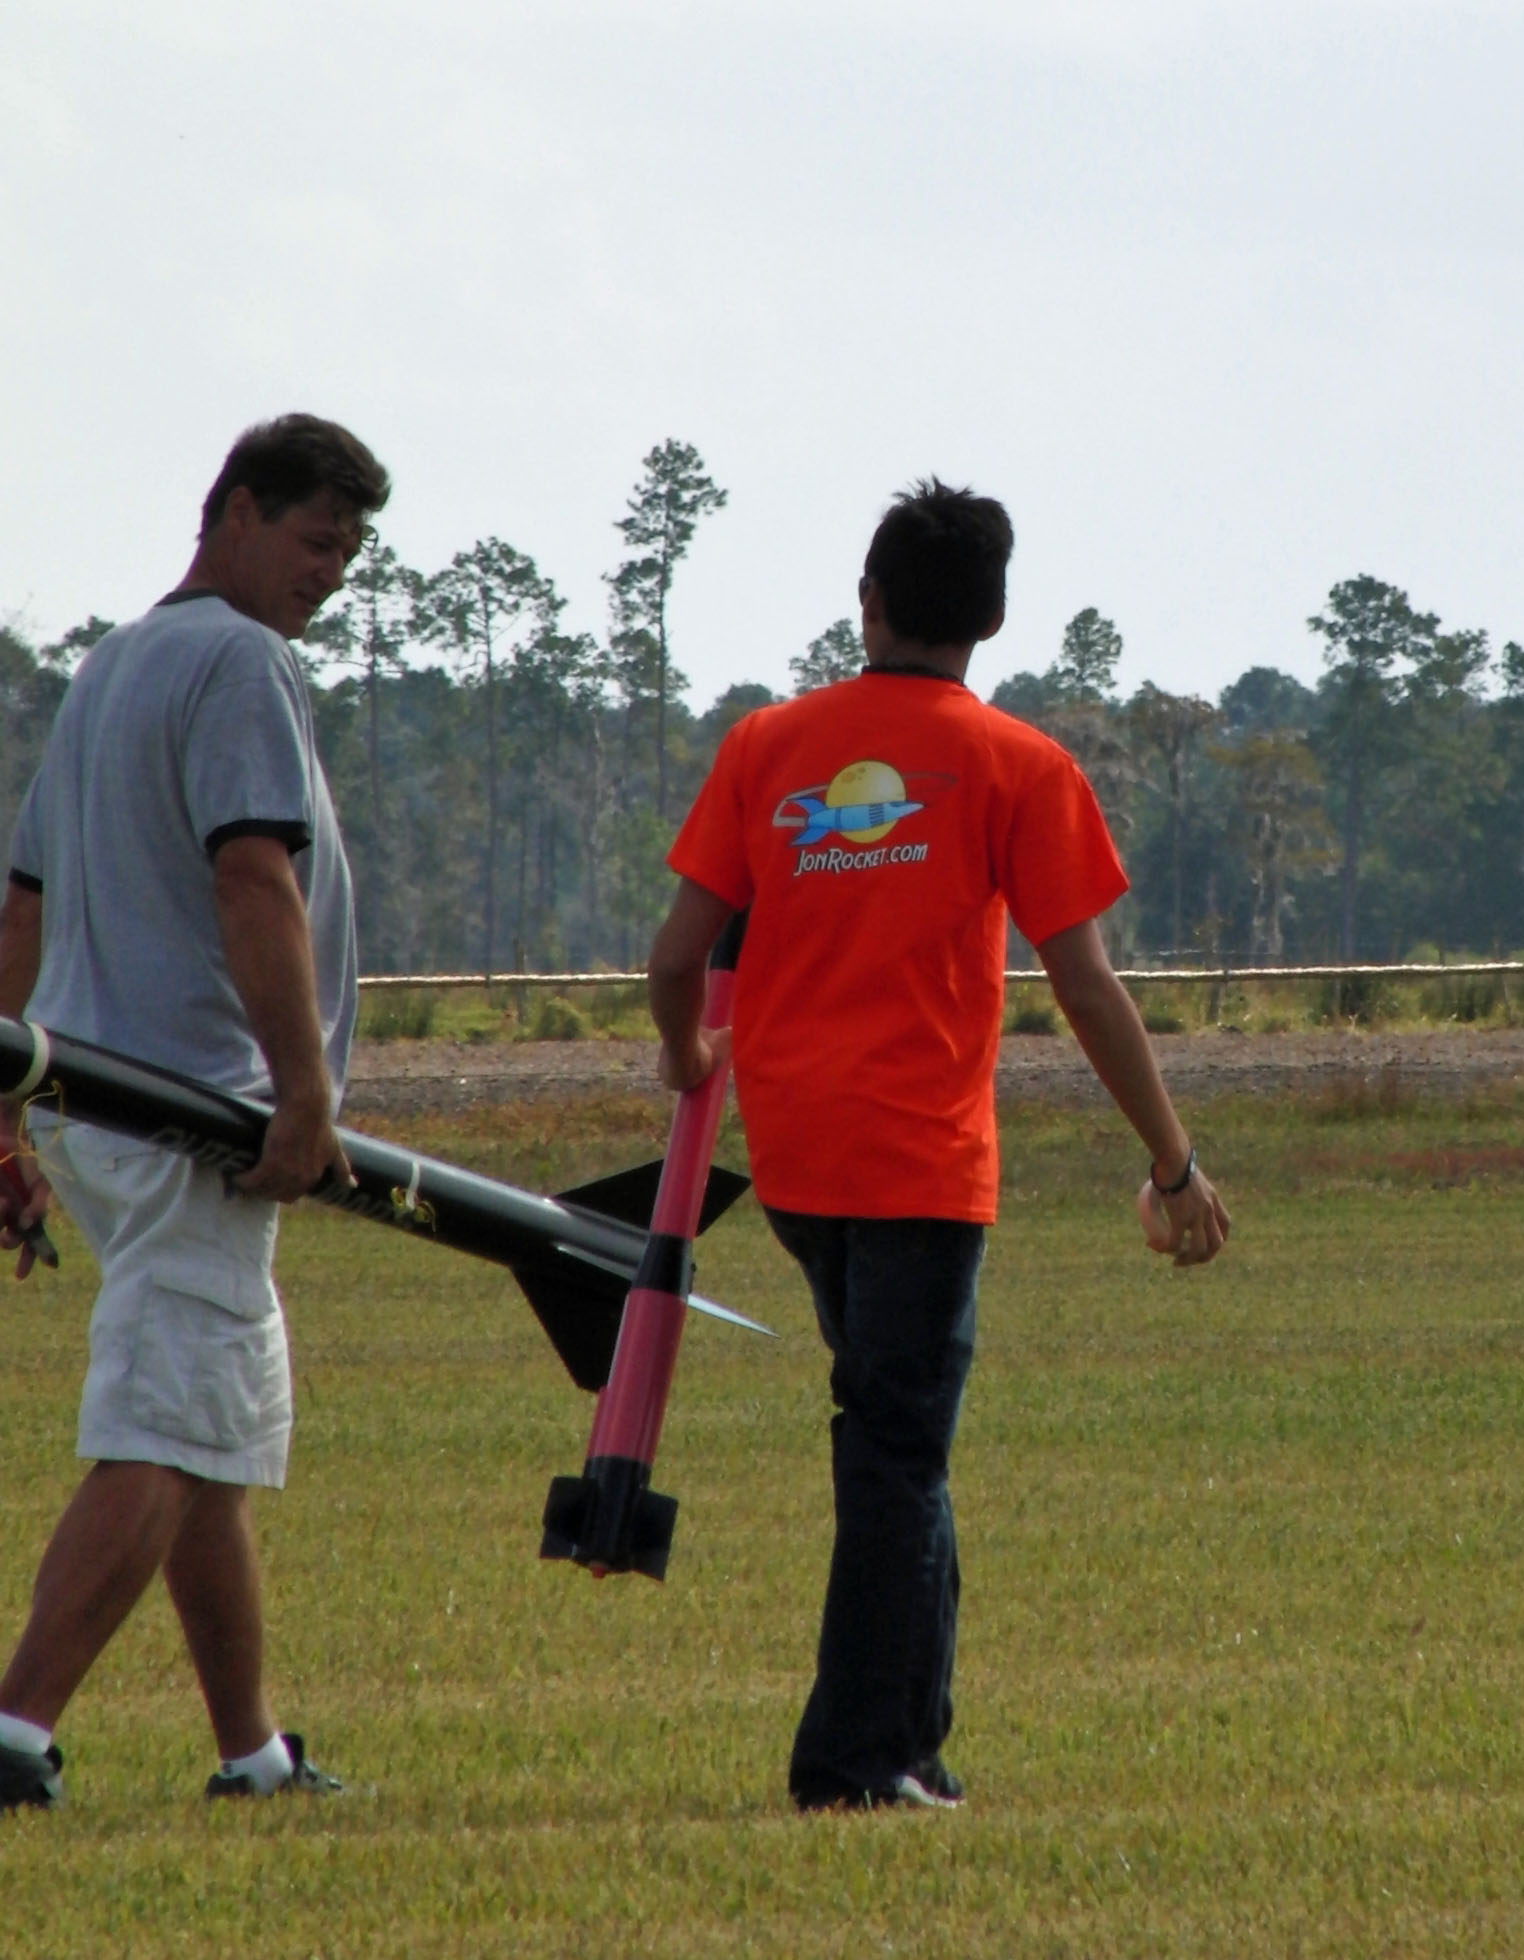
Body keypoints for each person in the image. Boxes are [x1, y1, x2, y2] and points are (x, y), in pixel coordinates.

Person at [647, 478, 1230, 1813]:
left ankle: (915, 1744)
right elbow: (1086, 986)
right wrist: (1173, 1161)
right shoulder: (1019, 766)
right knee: (896, 1452)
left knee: (901, 1439)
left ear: (868, 601)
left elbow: (676, 959)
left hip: (799, 1163)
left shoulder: (766, 746)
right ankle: (852, 1765)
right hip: (922, 1166)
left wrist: (687, 1059)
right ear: (994, 619)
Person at [0, 413, 390, 1812]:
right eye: (315, 541)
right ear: (233, 510)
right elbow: (251, 876)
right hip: (193, 1115)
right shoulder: (239, 660)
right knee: (167, 1426)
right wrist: (304, 1096)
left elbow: (25, 905)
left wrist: (5, 1115)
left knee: (205, 1433)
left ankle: (253, 1752)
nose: (328, 574)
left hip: (94, 1099)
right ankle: (14, 1732)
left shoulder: (113, 666)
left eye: (348, 555)